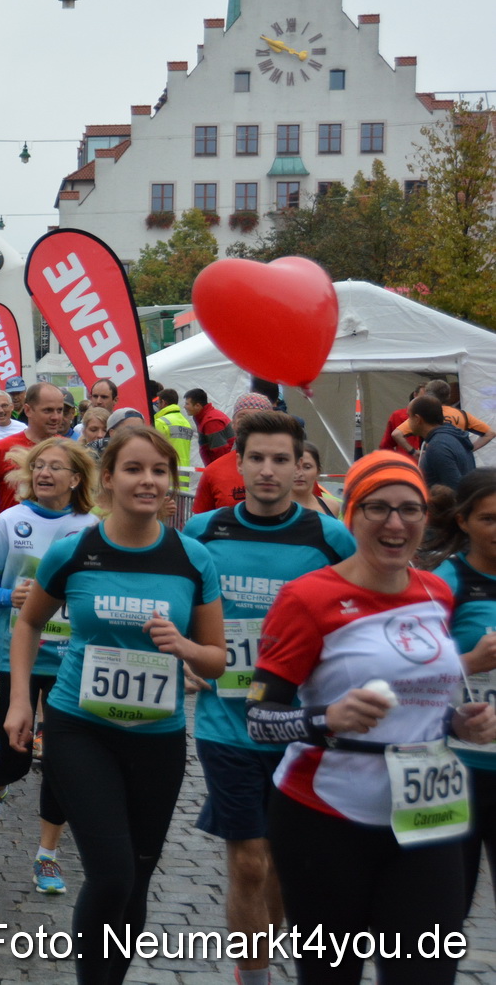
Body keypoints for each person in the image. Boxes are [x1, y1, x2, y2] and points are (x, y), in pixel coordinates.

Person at [248, 452, 496, 985]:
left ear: (426, 519)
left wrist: (460, 723)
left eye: (410, 510)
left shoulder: (437, 591)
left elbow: (424, 702)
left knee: (427, 975)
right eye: (378, 508)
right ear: (351, 515)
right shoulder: (308, 597)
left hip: (428, 812)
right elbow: (260, 719)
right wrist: (325, 718)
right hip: (326, 813)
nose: (395, 523)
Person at [5, 425, 225, 985]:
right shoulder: (74, 551)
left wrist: (185, 648)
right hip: (80, 728)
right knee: (112, 873)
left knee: (138, 879)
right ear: (108, 479)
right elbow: (28, 622)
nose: (147, 481)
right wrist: (19, 703)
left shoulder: (192, 558)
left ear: (172, 484)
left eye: (159, 471)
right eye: (134, 469)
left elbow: (216, 662)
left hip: (158, 739)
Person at [182, 412, 356, 985]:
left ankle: (260, 960)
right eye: (256, 457)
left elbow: (360, 617)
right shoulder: (203, 532)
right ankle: (252, 978)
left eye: (282, 459)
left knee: (282, 862)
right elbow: (169, 602)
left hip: (298, 725)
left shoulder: (330, 538)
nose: (267, 470)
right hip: (226, 724)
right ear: (237, 460)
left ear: (302, 466)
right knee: (250, 862)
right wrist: (183, 659)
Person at [0, 438, 99, 893]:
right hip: (16, 655)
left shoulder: (91, 526)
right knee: (17, 757)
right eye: (38, 466)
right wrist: (12, 597)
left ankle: (47, 855)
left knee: (63, 759)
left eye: (55, 467)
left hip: (72, 656)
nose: (44, 473)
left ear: (76, 478)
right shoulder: (11, 520)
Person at [432, 471, 496, 920]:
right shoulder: (446, 582)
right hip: (461, 766)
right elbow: (409, 671)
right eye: (490, 519)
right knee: (445, 907)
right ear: (464, 520)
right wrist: (469, 661)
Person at [0, 380, 70, 511]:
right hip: (14, 530)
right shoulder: (1, 449)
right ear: (28, 410)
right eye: (48, 410)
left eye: (60, 410)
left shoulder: (68, 449)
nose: (56, 417)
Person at [191, 394, 276, 514]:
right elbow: (200, 524)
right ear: (233, 424)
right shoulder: (214, 471)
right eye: (243, 417)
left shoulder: (290, 467)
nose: (250, 423)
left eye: (258, 417)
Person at [411, 394, 477, 492]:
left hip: (449, 506)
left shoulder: (438, 446)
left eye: (409, 416)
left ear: (417, 419)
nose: (408, 421)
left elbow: (455, 490)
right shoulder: (454, 437)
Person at [185, 388, 234, 465]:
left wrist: (216, 473)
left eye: (187, 404)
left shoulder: (211, 422)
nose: (184, 407)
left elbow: (220, 453)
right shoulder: (207, 418)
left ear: (197, 406)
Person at [293, 440, 338, 517]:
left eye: (307, 467)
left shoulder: (331, 507)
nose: (300, 473)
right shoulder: (271, 508)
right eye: (294, 467)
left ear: (318, 471)